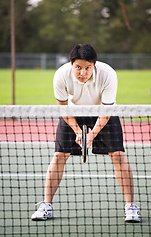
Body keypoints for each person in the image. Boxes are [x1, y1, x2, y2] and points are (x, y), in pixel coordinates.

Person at [31, 44, 140, 222]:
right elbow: (63, 108)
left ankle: (131, 207)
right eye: (78, 67)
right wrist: (77, 130)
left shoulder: (108, 74)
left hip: (103, 112)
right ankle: (46, 205)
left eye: (87, 68)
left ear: (94, 65)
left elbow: (106, 112)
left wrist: (91, 135)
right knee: (59, 155)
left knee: (118, 155)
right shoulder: (61, 75)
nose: (83, 73)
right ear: (71, 64)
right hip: (72, 113)